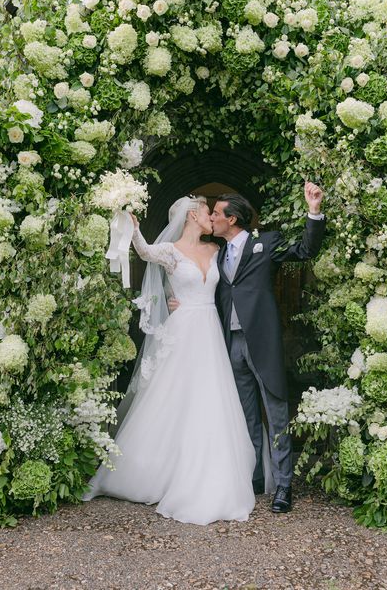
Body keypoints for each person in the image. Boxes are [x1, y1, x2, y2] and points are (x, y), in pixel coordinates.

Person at [83, 195, 256, 525]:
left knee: (210, 400)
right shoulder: (171, 252)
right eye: (209, 213)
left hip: (210, 332)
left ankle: (210, 471)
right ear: (194, 215)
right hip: (184, 331)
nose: (212, 219)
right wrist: (131, 228)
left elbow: (228, 287)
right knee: (174, 400)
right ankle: (155, 472)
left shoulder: (217, 251)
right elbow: (145, 251)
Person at [210, 182, 325, 513]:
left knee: (275, 414)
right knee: (245, 416)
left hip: (261, 340)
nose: (212, 218)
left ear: (232, 219)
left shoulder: (266, 243)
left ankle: (284, 486)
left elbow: (305, 250)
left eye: (217, 213)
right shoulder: (216, 254)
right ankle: (255, 479)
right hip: (230, 344)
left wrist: (313, 211)